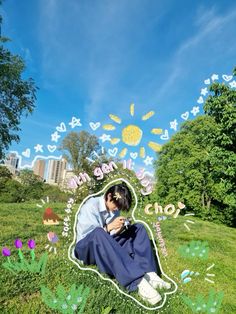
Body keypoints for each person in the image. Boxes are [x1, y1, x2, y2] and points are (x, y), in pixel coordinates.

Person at [74, 183, 171, 305]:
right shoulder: (90, 206)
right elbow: (89, 237)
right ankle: (137, 282)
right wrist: (109, 227)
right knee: (99, 232)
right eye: (117, 206)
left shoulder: (114, 209)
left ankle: (149, 273)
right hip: (85, 250)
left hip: (104, 244)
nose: (117, 210)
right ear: (109, 196)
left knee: (138, 228)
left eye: (120, 208)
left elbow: (109, 235)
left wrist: (118, 230)